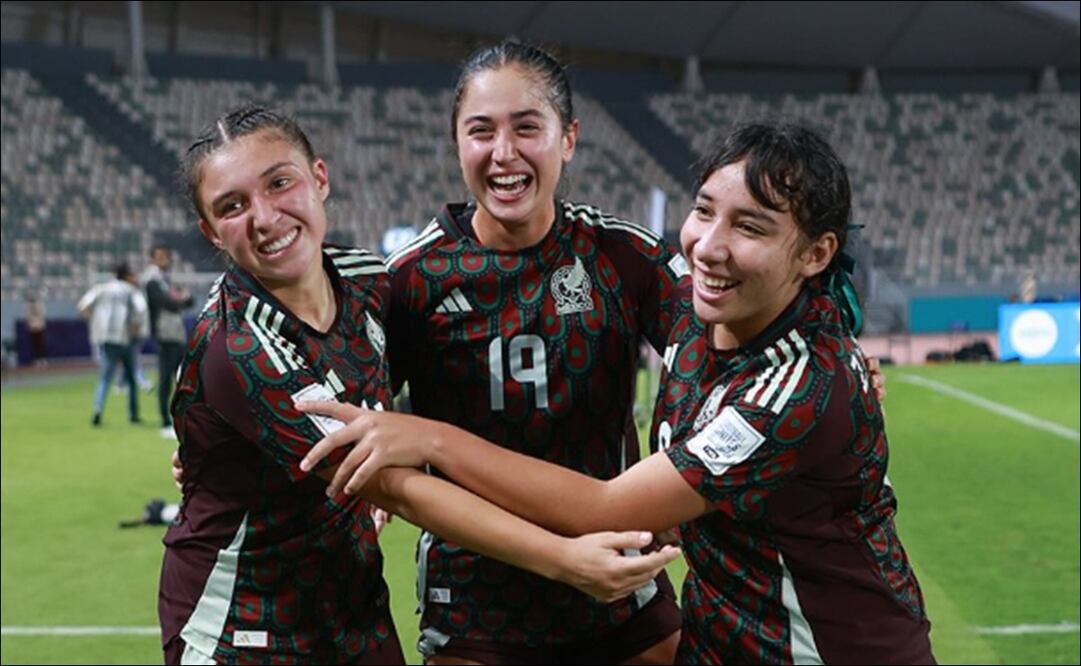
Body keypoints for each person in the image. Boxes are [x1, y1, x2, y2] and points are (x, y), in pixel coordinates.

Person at [299, 124, 935, 664]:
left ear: (816, 253)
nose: (709, 246)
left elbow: (608, 508)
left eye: (750, 227)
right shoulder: (699, 324)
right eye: (704, 211)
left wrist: (428, 438)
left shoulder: (798, 385)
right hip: (720, 643)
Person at [160, 104, 678, 665]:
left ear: (319, 178)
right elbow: (391, 485)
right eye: (232, 206)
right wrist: (564, 559)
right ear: (211, 232)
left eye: (279, 183)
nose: (264, 217)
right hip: (244, 628)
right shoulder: (238, 345)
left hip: (352, 610)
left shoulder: (369, 283)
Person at [377, 41, 687, 664]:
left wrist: (831, 353)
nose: (504, 153)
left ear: (567, 138)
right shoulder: (410, 281)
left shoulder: (624, 257)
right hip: (477, 602)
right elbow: (356, 415)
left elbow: (722, 350)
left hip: (618, 580)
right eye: (481, 131)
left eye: (526, 128)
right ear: (457, 143)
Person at [78, 263, 148, 426]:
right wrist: (136, 328)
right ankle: (133, 415)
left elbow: (82, 305)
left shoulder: (101, 288)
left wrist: (94, 320)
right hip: (126, 339)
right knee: (131, 378)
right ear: (127, 275)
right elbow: (141, 309)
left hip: (106, 339)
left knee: (105, 378)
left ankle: (98, 408)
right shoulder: (131, 290)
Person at [143, 244, 194, 438]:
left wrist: (180, 299)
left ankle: (180, 419)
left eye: (166, 256)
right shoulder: (152, 281)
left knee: (180, 378)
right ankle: (165, 421)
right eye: (160, 256)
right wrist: (180, 299)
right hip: (164, 334)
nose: (164, 260)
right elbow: (168, 303)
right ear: (152, 259)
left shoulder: (166, 280)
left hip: (176, 333)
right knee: (166, 378)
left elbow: (188, 300)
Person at [24, 290, 47, 367]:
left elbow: (41, 315)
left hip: (39, 327)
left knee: (40, 344)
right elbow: (28, 317)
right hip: (33, 328)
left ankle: (42, 359)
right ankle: (37, 359)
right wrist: (30, 324)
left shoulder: (39, 304)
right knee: (35, 344)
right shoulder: (28, 306)